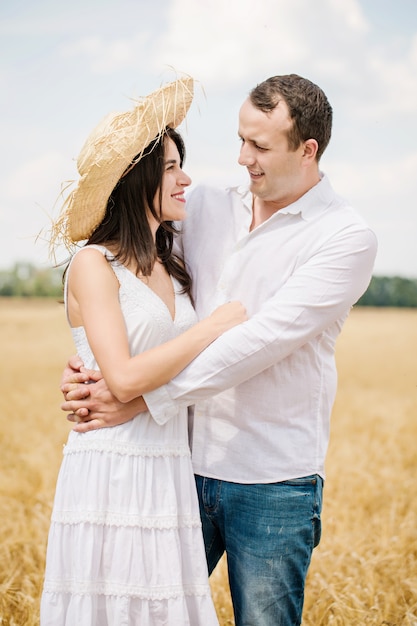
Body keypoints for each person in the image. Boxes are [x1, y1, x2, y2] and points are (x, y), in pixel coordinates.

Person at [60, 74, 378, 626]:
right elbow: (129, 284)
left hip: (271, 481)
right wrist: (91, 367)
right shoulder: (203, 205)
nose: (241, 158)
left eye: (259, 146)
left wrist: (137, 397)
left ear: (307, 151)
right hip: (175, 466)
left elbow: (259, 343)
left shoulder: (344, 237)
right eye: (239, 139)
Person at [40, 77, 247, 626]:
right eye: (173, 166)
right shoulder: (93, 264)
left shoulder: (169, 260)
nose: (187, 179)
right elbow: (125, 378)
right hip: (112, 462)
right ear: (137, 179)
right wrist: (215, 326)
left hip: (167, 462)